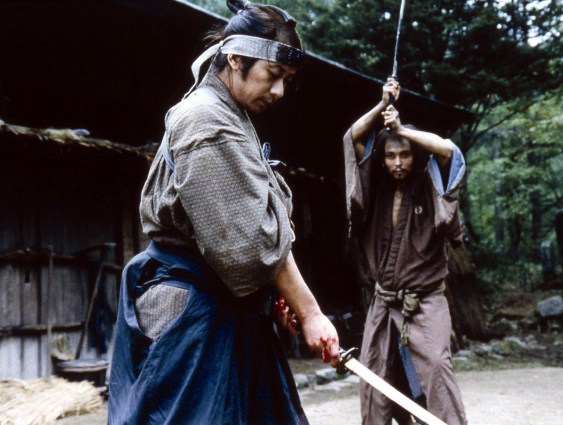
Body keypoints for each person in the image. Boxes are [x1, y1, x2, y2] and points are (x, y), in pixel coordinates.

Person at [108, 2, 340, 424]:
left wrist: (274, 295)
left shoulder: (231, 115)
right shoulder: (205, 119)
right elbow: (249, 246)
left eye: (286, 80)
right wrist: (310, 313)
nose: (279, 91)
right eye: (273, 74)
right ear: (235, 59)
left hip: (225, 307)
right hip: (191, 312)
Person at [343, 79, 467, 425]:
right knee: (374, 380)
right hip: (384, 302)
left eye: (405, 155)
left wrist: (401, 130)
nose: (398, 162)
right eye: (391, 155)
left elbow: (448, 151)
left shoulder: (431, 184)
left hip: (425, 301)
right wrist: (381, 106)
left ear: (415, 155)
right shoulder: (376, 189)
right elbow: (353, 137)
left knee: (437, 370)